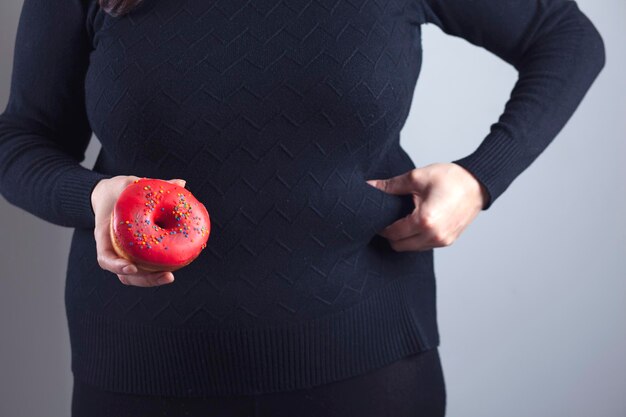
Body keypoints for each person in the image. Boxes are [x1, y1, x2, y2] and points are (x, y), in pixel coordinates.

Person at [0, 0, 605, 415]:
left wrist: (479, 179)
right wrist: (92, 198)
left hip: (367, 365)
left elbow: (566, 36)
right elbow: (19, 140)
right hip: (144, 369)